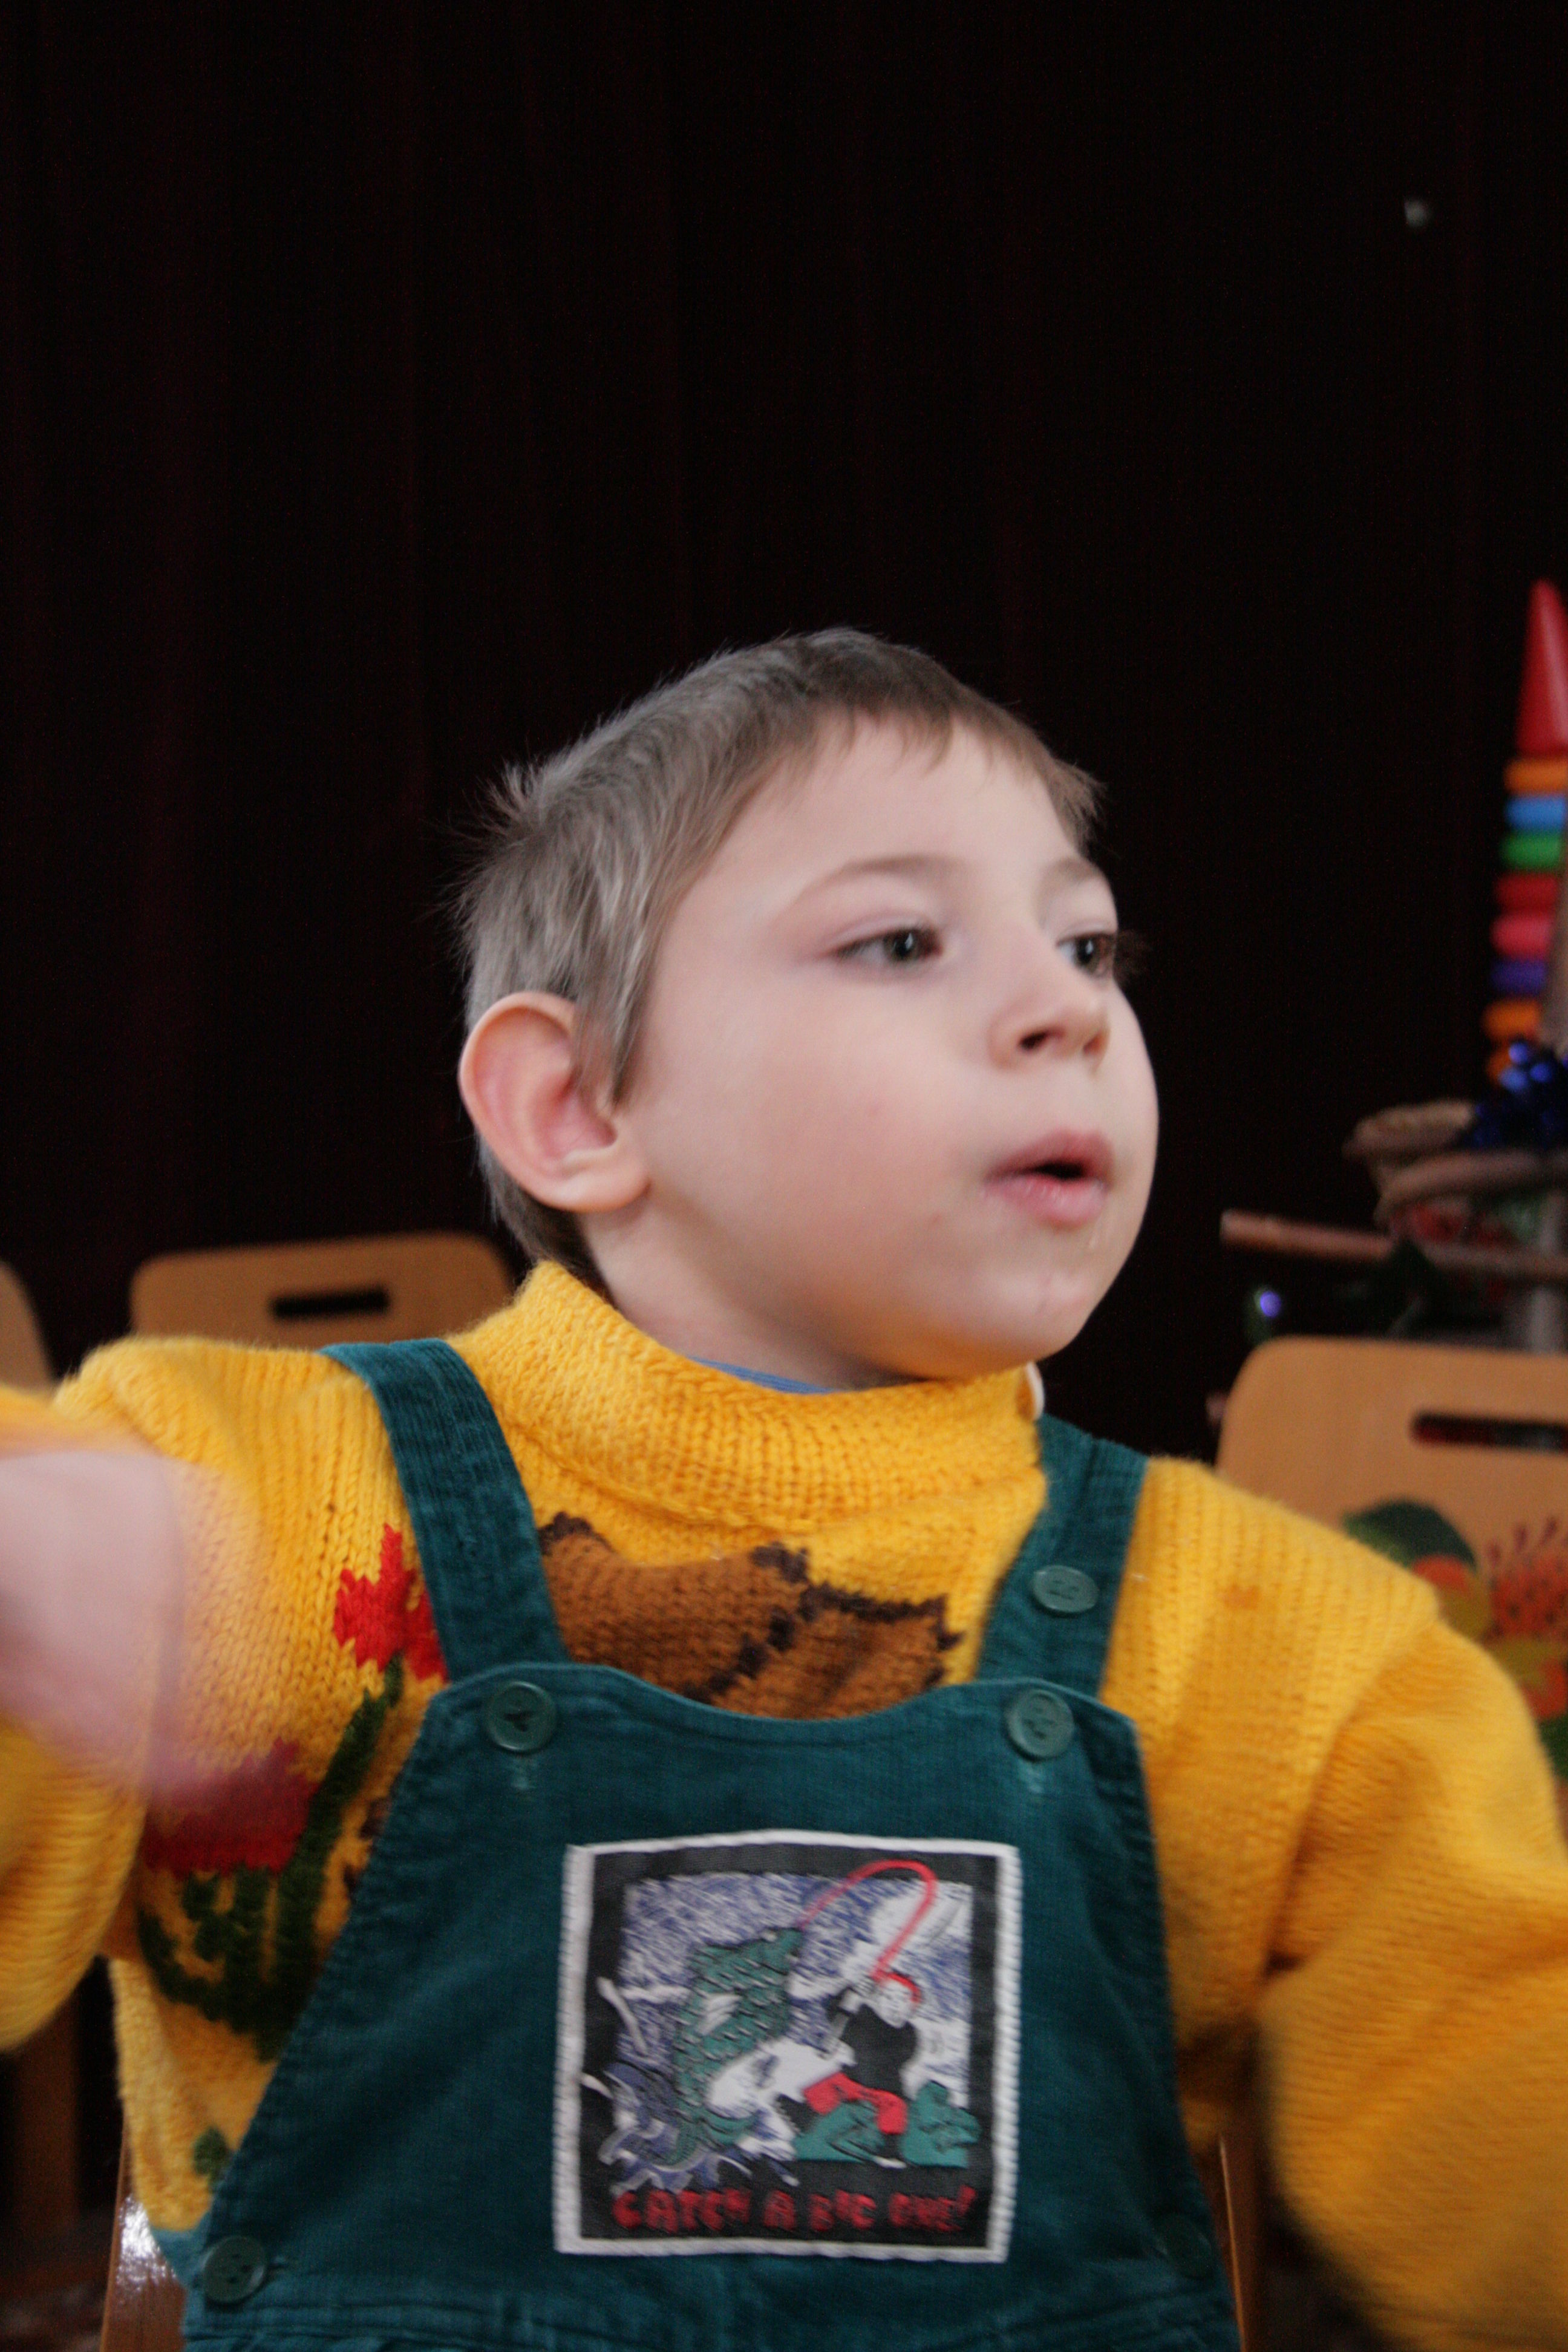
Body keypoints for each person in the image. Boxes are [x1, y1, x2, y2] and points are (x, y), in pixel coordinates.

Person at [2, 631, 1566, 2352]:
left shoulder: (1298, 1655)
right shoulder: (230, 1498)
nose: (1071, 1008)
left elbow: (1502, 2176)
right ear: (576, 1103)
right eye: (900, 940)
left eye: (1089, 943)